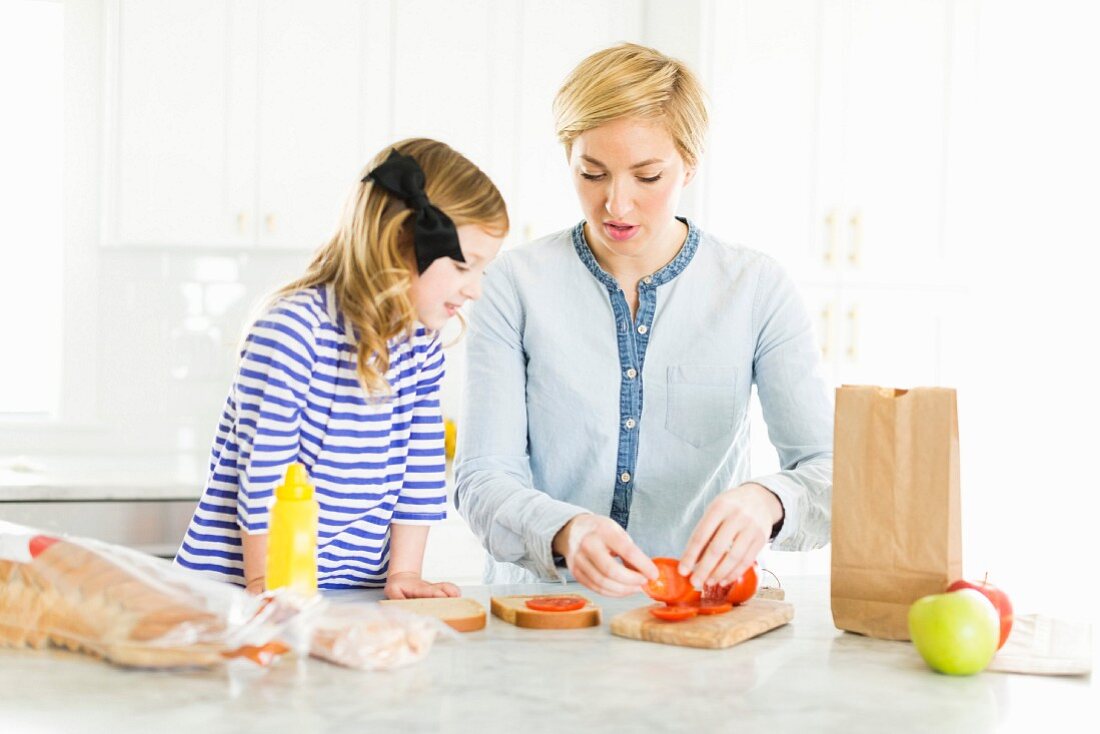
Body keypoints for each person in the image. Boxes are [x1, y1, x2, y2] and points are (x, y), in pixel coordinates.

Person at [454, 44, 833, 596]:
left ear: (690, 165)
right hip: (543, 612)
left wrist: (770, 501)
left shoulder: (755, 289)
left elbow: (831, 472)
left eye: (647, 176)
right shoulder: (513, 284)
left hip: (698, 614)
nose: (617, 204)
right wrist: (565, 531)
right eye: (592, 173)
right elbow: (483, 478)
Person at [175, 139, 508, 598]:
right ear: (397, 242)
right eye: (461, 266)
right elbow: (265, 471)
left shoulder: (420, 348)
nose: (475, 290)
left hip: (350, 589)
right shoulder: (294, 328)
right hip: (242, 588)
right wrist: (267, 587)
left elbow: (421, 467)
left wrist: (404, 575)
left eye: (482, 271)